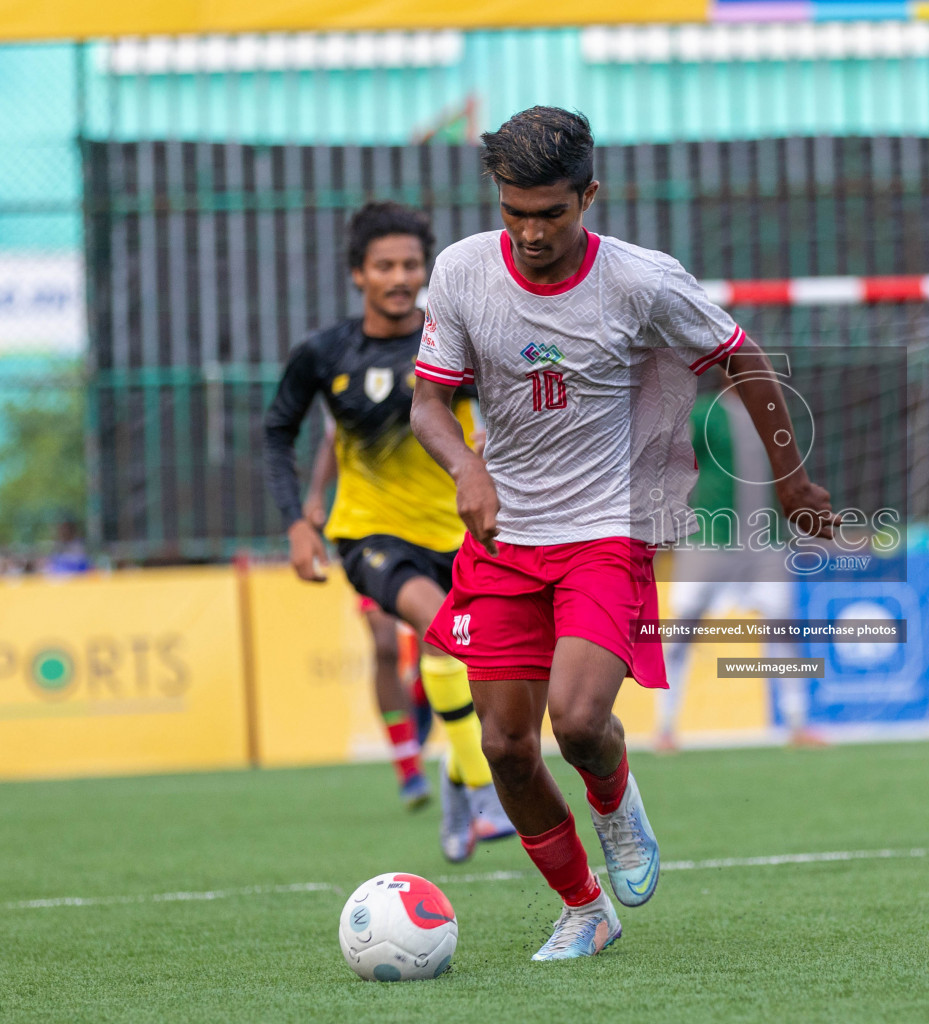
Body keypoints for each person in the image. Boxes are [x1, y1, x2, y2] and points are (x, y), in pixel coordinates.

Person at [410, 106, 836, 961]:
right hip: (505, 539)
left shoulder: (641, 282)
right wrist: (468, 468)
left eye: (551, 214)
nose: (530, 233)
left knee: (576, 721)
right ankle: (583, 907)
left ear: (589, 197)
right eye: (514, 212)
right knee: (503, 744)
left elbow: (744, 359)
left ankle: (616, 803)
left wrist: (790, 478)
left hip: (609, 528)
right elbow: (429, 402)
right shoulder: (460, 273)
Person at [263, 200, 515, 863]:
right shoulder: (324, 353)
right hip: (369, 535)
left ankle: (457, 781)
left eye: (410, 265)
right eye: (385, 266)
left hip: (459, 535)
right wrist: (297, 520)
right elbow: (277, 432)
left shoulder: (450, 339)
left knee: (464, 658)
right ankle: (486, 795)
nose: (400, 278)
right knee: (449, 636)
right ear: (358, 274)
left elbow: (500, 410)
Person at [655, 369, 826, 753]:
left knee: (783, 628)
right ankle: (665, 727)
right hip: (710, 540)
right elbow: (670, 461)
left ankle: (797, 723)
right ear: (729, 375)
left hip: (764, 543)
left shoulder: (774, 417)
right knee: (682, 629)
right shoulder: (704, 414)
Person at [302, 416, 436, 806]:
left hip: (429, 528)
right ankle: (409, 767)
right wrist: (314, 495)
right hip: (371, 533)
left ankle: (423, 699)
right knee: (384, 645)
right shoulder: (344, 366)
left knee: (438, 636)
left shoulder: (434, 363)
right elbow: (333, 437)